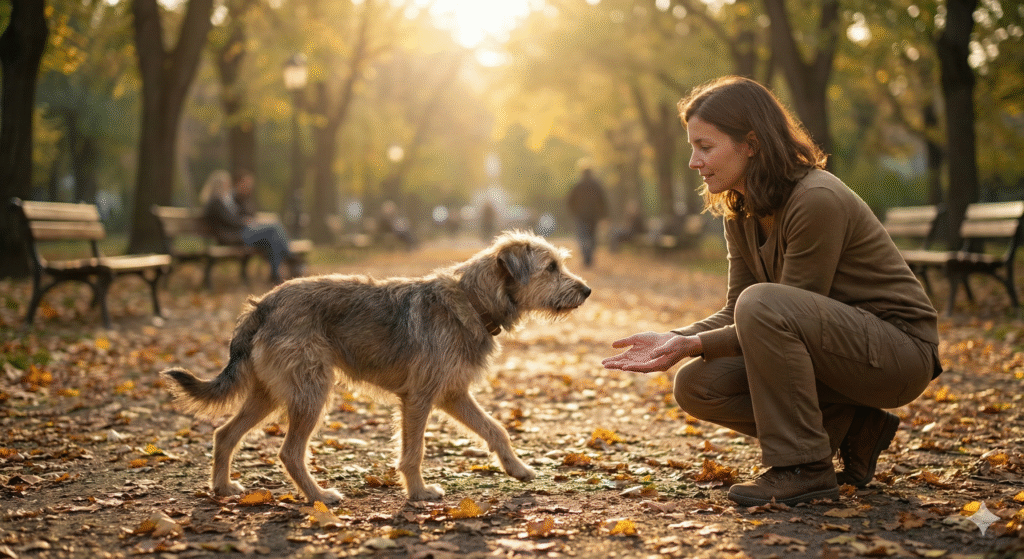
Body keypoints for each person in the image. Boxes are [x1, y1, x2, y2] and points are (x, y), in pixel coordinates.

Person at [602, 76, 942, 507]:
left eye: (705, 147)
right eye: (693, 147)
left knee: (762, 303)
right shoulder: (741, 210)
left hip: (898, 355)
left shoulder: (816, 198)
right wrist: (676, 338)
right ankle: (854, 428)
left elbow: (775, 310)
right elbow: (737, 311)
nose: (694, 161)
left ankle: (803, 468)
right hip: (837, 355)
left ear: (752, 144)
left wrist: (695, 343)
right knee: (698, 384)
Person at [201, 169, 303, 284]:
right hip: (232, 237)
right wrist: (243, 221)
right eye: (226, 184)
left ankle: (275, 274)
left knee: (272, 239)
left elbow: (244, 213)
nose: (228, 186)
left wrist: (244, 218)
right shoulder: (215, 202)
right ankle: (290, 257)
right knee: (273, 228)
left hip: (239, 234)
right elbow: (228, 221)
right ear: (218, 185)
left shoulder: (225, 201)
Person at [566, 167, 608, 267]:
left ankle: (586, 257)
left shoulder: (577, 185)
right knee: (592, 237)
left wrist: (574, 212)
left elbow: (570, 201)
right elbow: (602, 201)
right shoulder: (596, 185)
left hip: (580, 216)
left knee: (583, 237)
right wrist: (604, 215)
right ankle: (589, 257)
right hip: (593, 216)